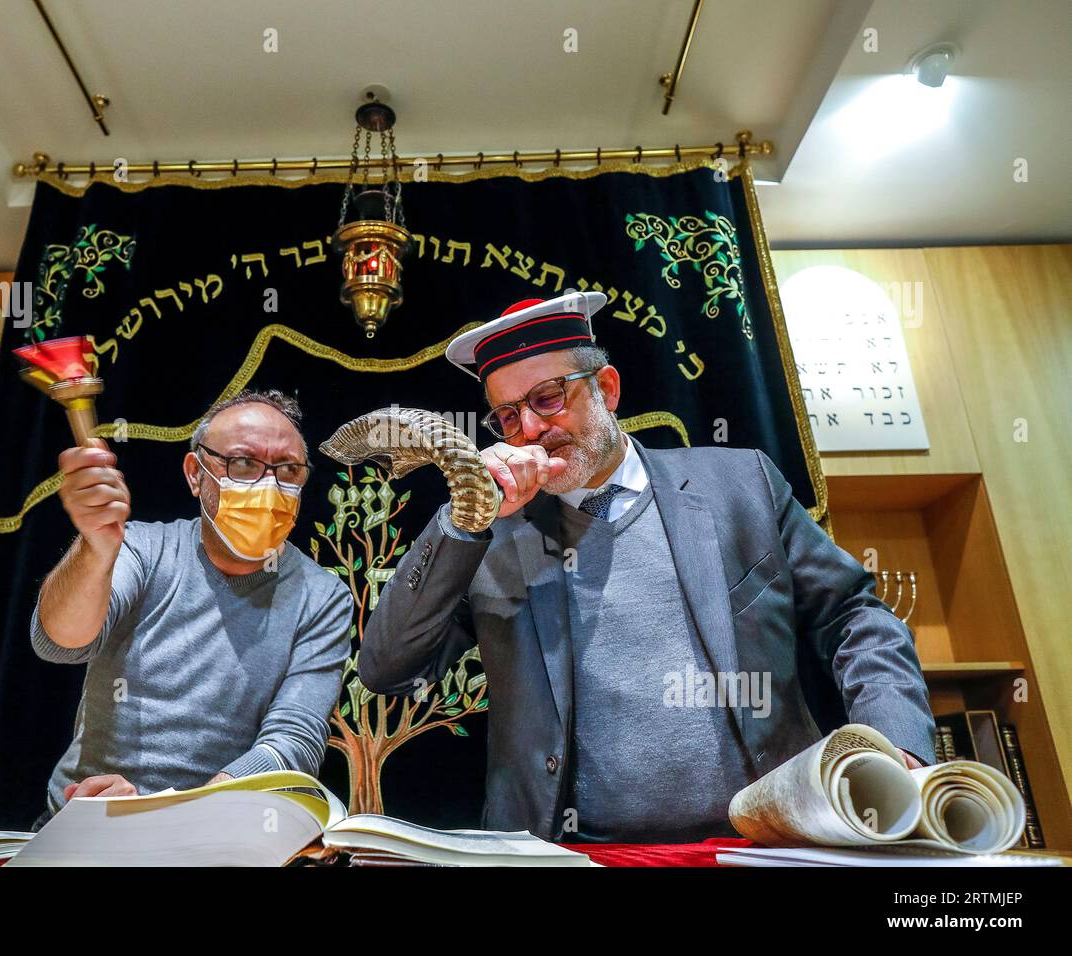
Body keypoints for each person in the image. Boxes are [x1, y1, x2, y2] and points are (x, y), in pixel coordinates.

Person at [358, 291, 935, 843]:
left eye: (548, 398)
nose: (530, 429)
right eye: (508, 416)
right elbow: (387, 668)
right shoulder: (493, 534)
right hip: (576, 853)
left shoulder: (740, 485)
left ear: (606, 388)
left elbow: (854, 615)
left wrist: (896, 743)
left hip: (768, 839)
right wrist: (466, 516)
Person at [30, 388, 352, 825]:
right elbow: (59, 644)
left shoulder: (322, 595)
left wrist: (177, 812)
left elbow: (295, 738)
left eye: (288, 469)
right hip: (92, 821)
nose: (268, 485)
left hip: (220, 828)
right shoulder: (141, 548)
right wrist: (95, 547)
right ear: (195, 474)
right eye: (242, 463)